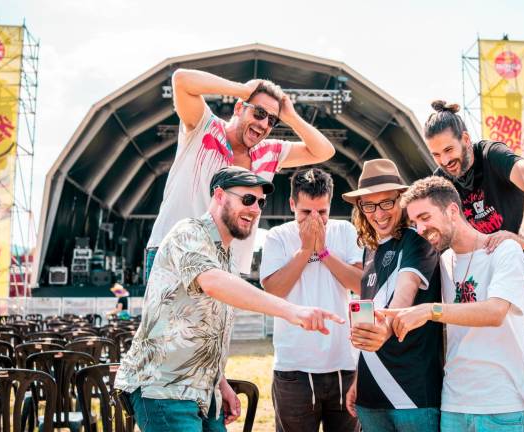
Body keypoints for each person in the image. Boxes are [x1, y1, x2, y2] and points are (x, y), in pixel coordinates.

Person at [115, 167, 344, 432]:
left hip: (204, 392)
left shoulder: (225, 255)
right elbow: (212, 283)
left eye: (260, 202)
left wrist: (219, 382)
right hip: (166, 389)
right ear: (220, 195)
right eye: (247, 199)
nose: (256, 209)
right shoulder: (189, 232)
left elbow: (205, 328)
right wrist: (291, 311)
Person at [424, 100, 524, 431]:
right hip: (481, 274)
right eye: (436, 155)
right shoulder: (442, 178)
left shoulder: (492, 154)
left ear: (466, 139)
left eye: (449, 150)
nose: (444, 161)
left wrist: (522, 238)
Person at [144, 69, 336, 282]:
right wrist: (242, 90)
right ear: (238, 107)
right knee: (166, 317)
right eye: (259, 113)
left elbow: (324, 151)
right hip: (175, 251)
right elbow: (181, 80)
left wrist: (290, 117)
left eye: (272, 120)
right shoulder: (204, 127)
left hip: (225, 266)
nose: (264, 124)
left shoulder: (270, 152)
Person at [385, 175, 524, 431]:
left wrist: (430, 311)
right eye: (414, 222)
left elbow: (495, 312)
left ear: (452, 210)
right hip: (454, 405)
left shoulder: (504, 252)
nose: (420, 229)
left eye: (425, 217)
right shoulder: (443, 262)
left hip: (501, 405)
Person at [342, 159, 443, 431]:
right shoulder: (369, 250)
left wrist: (385, 329)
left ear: (401, 200)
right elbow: (366, 317)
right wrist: (358, 378)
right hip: (370, 396)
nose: (379, 213)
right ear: (361, 208)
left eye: (387, 202)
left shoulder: (417, 240)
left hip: (412, 394)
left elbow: (403, 298)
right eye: (369, 205)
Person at [260, 168, 363, 432]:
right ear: (292, 204)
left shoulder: (346, 231)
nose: (315, 220)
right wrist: (306, 250)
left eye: (322, 212)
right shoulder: (278, 237)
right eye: (306, 212)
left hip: (342, 363)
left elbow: (361, 285)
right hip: (294, 367)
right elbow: (273, 292)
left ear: (330, 204)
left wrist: (324, 252)